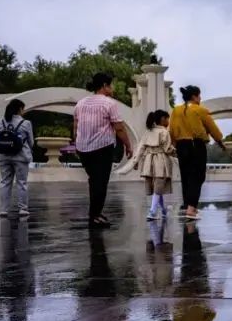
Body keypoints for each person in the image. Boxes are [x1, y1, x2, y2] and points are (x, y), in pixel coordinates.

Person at [74, 72, 133, 229]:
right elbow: (119, 128)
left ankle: (95, 213)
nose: (112, 88)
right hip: (101, 148)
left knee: (94, 180)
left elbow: (76, 126)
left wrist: (77, 144)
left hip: (83, 148)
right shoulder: (109, 104)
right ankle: (95, 215)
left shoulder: (80, 103)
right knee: (100, 182)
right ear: (105, 86)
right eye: (111, 85)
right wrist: (128, 145)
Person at [169, 85, 224, 221]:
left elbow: (172, 130)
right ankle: (191, 209)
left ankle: (187, 205)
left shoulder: (176, 111)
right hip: (196, 145)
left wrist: (175, 145)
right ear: (194, 97)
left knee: (186, 176)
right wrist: (220, 141)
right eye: (199, 96)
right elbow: (213, 129)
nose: (200, 98)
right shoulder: (200, 110)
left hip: (181, 145)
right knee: (197, 177)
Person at [0, 98, 33, 218]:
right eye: (23, 109)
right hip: (21, 157)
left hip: (4, 156)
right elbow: (31, 142)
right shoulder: (26, 123)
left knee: (5, 182)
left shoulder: (0, 122)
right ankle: (23, 209)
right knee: (22, 182)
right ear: (20, 109)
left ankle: (4, 210)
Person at [136, 110, 175, 221]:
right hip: (160, 160)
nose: (168, 121)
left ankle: (163, 210)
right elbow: (168, 148)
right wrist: (178, 153)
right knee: (159, 185)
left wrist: (136, 161)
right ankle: (152, 211)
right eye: (167, 119)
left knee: (157, 187)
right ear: (163, 119)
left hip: (148, 161)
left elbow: (141, 148)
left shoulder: (148, 132)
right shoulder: (164, 132)